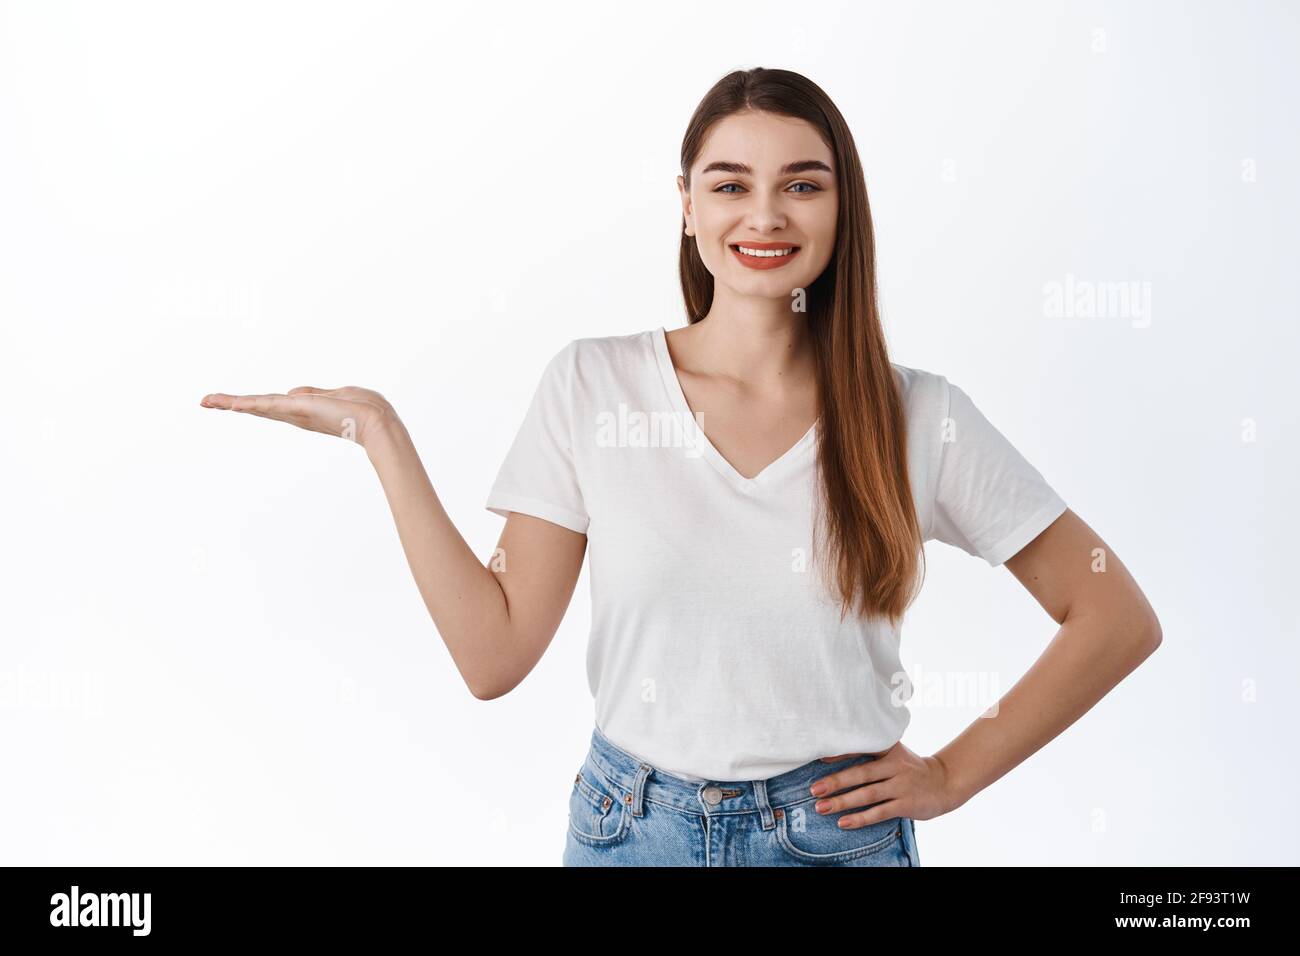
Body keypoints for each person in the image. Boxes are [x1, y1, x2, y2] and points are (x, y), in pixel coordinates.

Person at [199, 67, 1162, 867]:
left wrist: (951, 775)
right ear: (689, 206)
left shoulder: (919, 415)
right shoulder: (593, 384)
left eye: (803, 183)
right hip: (632, 832)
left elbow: (1114, 616)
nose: (766, 214)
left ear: (840, 206)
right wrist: (382, 436)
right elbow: (493, 658)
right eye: (731, 183)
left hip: (835, 838)